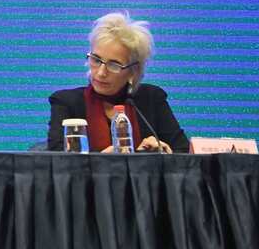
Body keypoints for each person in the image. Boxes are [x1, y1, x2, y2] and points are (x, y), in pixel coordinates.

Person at [47, 11, 188, 153]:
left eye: (114, 65)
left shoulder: (152, 99)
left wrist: (160, 151)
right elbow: (57, 162)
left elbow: (183, 153)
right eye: (96, 60)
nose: (101, 72)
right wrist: (101, 161)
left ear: (133, 71)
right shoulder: (66, 102)